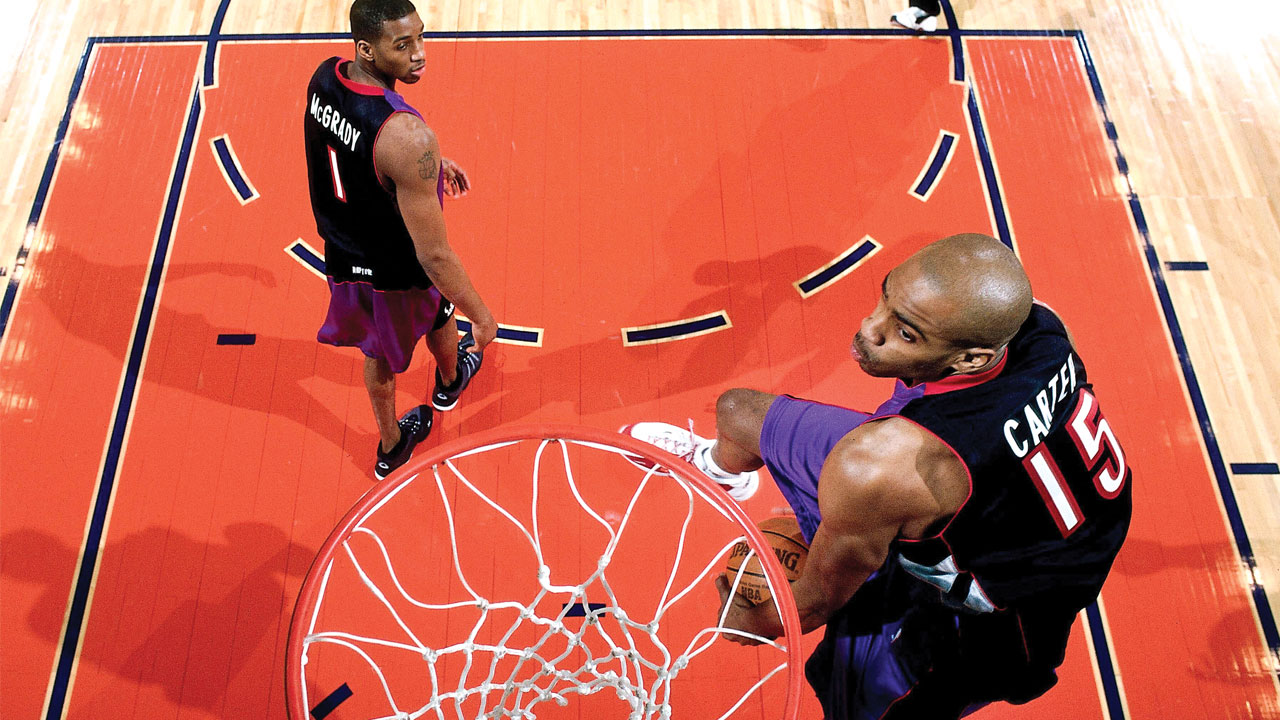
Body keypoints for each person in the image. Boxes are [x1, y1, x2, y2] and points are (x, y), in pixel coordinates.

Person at [625, 234, 1132, 719]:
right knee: (739, 414)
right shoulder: (1037, 326)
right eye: (885, 298)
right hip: (1008, 493)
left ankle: (877, 539)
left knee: (848, 696)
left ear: (972, 357)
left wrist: (746, 622)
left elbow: (815, 603)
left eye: (905, 332)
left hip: (999, 608)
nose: (870, 329)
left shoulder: (885, 465)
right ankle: (731, 475)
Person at [304, 0, 497, 480]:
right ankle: (447, 385)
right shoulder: (409, 139)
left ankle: (392, 446)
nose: (420, 54)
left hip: (344, 255)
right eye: (403, 45)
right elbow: (434, 256)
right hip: (398, 266)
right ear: (368, 50)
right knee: (443, 312)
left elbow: (360, 150)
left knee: (377, 351)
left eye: (421, 37)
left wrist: (425, 170)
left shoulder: (324, 78)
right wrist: (483, 314)